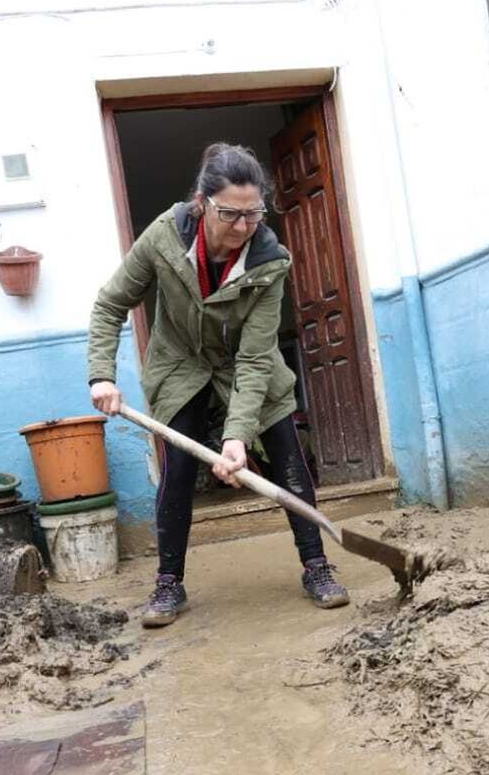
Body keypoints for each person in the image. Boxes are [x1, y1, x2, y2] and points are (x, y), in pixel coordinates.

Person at [87, 142, 349, 628]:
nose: (243, 227)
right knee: (178, 472)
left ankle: (316, 565)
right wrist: (102, 374)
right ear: (201, 203)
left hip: (244, 365)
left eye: (254, 214)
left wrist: (237, 437)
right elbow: (110, 304)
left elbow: (254, 357)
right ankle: (169, 581)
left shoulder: (270, 260)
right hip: (180, 363)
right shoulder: (164, 238)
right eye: (230, 213)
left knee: (289, 460)